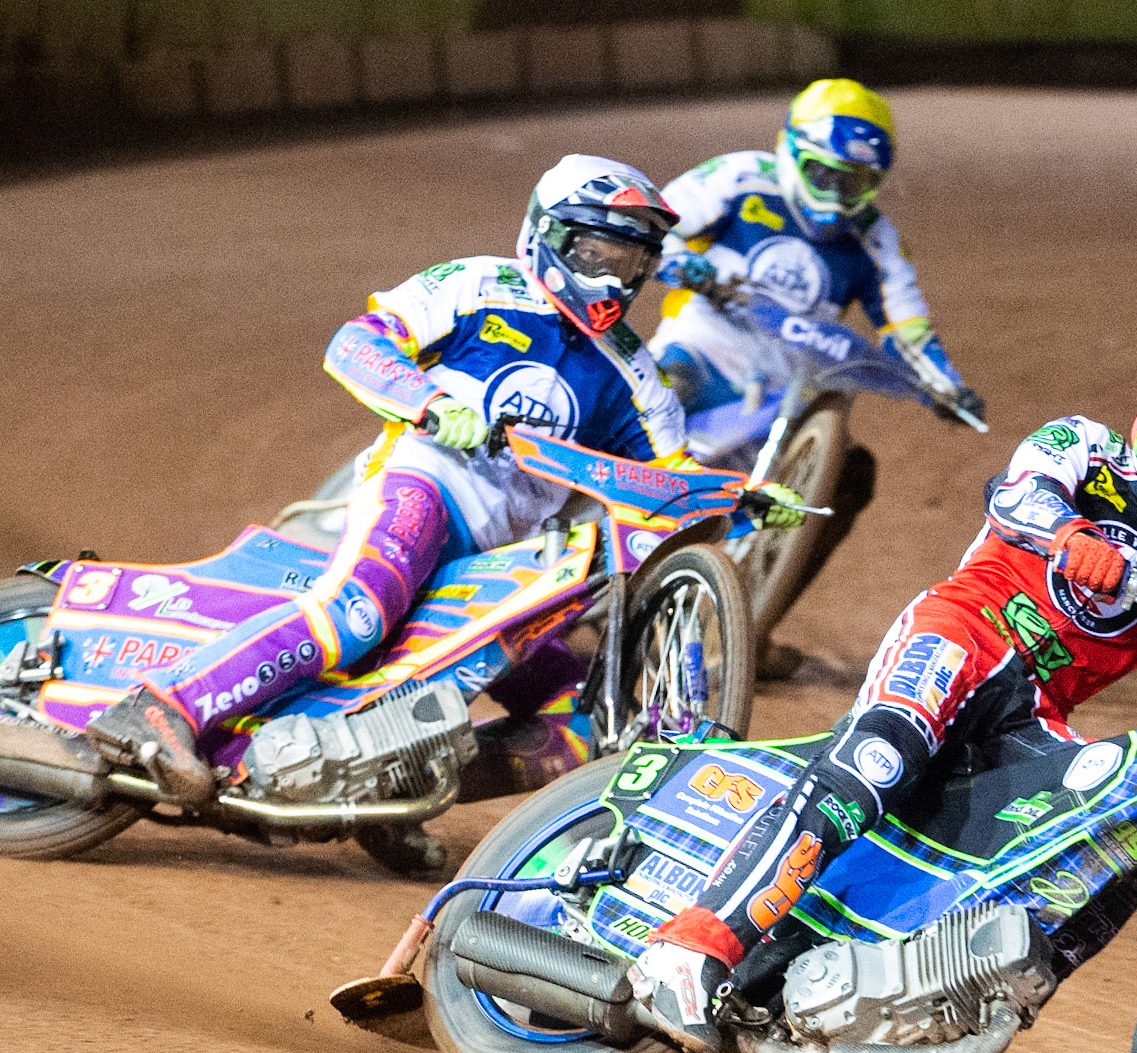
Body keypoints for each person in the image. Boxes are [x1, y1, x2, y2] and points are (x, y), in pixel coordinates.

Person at [628, 337, 1137, 1053]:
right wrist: (1072, 536)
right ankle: (692, 946)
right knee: (877, 763)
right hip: (961, 636)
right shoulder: (1089, 450)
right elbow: (1015, 495)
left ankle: (945, 994)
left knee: (1088, 842)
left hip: (1031, 714)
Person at [79, 155, 804, 808]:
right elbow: (358, 341)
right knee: (355, 615)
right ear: (549, 237)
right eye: (597, 255)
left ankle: (396, 784)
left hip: (505, 558)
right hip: (424, 488)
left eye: (631, 263)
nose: (615, 279)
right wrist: (429, 405)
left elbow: (668, 476)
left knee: (575, 723)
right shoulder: (478, 284)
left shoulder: (630, 369)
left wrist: (742, 495)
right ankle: (162, 705)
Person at [648, 79, 984, 672]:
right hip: (701, 350)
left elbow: (907, 329)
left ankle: (753, 630)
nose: (835, 196)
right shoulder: (738, 177)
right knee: (657, 390)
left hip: (790, 389)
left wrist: (947, 387)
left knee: (852, 475)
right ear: (791, 151)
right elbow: (650, 228)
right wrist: (687, 265)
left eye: (853, 183)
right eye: (823, 175)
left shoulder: (874, 238)